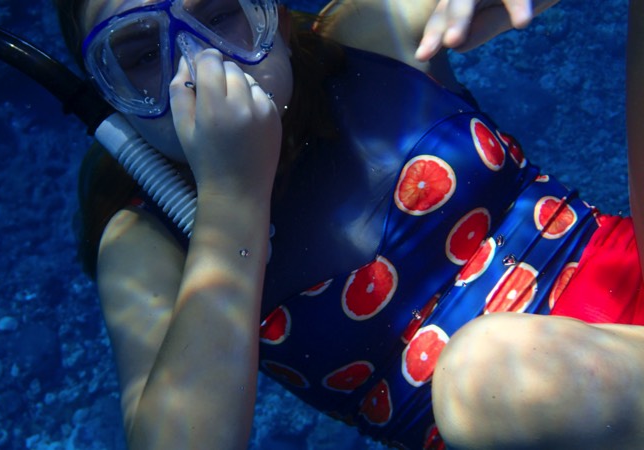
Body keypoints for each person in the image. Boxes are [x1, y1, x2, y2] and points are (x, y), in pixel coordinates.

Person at [54, 0, 644, 448]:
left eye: (219, 13)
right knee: (482, 375)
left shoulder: (367, 32)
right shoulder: (146, 242)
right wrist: (232, 202)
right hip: (533, 417)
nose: (200, 64)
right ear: (114, 100)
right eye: (137, 55)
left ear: (273, 16)